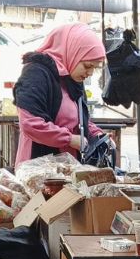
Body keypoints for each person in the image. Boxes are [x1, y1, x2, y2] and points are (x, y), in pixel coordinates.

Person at [13, 23, 108, 165]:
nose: (90, 73)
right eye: (87, 66)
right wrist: (69, 139)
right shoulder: (36, 73)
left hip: (66, 168)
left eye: (95, 68)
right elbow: (30, 123)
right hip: (38, 166)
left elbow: (79, 119)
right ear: (73, 52)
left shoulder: (72, 77)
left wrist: (97, 134)